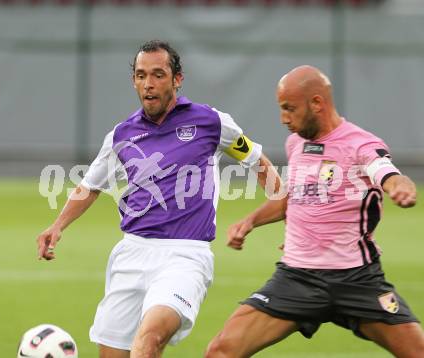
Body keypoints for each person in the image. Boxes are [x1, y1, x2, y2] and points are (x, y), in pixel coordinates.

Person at [36, 40, 279, 358]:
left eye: (158, 74)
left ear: (177, 78)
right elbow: (91, 185)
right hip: (131, 254)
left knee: (149, 338)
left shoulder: (210, 122)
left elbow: (257, 161)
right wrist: (57, 226)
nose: (148, 84)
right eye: (140, 75)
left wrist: (291, 211)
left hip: (185, 256)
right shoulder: (122, 135)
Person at [205, 65, 424, 358]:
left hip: (357, 279)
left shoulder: (360, 143)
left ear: (317, 103)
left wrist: (399, 184)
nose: (284, 118)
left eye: (289, 108)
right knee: (221, 351)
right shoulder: (296, 143)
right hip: (297, 278)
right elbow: (290, 199)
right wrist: (250, 221)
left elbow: (384, 169)